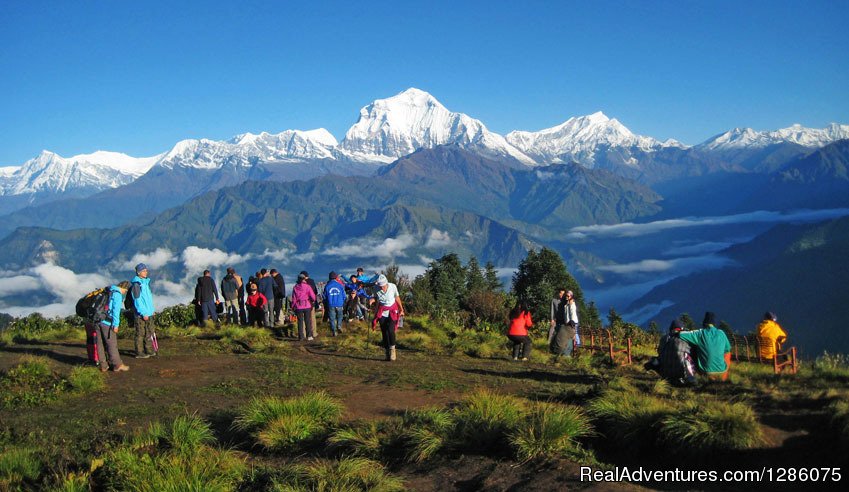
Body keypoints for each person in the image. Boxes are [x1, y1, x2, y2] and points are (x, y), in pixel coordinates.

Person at [678, 312, 732, 381]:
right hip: (722, 371)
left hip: (706, 372)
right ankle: (724, 376)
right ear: (714, 324)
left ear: (704, 323)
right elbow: (727, 350)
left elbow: (681, 335)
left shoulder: (700, 333)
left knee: (694, 348)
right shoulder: (721, 333)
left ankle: (695, 375)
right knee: (727, 352)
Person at [95, 281, 132, 372]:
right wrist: (116, 325)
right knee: (111, 344)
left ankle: (103, 365)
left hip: (97, 320)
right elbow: (116, 311)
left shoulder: (107, 290)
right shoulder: (117, 295)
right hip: (107, 322)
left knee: (100, 344)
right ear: (125, 289)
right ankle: (117, 365)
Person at [371, 274, 405, 361]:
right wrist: (372, 300)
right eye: (380, 286)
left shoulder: (393, 286)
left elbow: (397, 297)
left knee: (390, 330)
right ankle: (387, 351)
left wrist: (401, 309)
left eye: (383, 285)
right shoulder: (376, 288)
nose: (382, 287)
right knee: (384, 332)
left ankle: (392, 350)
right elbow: (375, 297)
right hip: (382, 311)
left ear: (386, 283)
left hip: (393, 310)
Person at [653, 319, 696, 385]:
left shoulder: (663, 338)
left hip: (665, 373)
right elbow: (692, 352)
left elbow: (659, 352)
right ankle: (690, 378)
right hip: (681, 373)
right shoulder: (685, 339)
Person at [131, 263, 157, 359]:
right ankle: (139, 352)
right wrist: (143, 312)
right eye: (144, 271)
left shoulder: (145, 283)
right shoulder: (137, 285)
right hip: (140, 314)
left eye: (146, 270)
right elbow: (137, 301)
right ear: (139, 272)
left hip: (148, 312)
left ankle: (148, 349)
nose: (146, 272)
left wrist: (151, 310)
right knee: (140, 333)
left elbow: (148, 299)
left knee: (149, 332)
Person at [549, 288, 577, 357]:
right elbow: (553, 310)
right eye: (566, 296)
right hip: (565, 322)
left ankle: (567, 354)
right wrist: (552, 319)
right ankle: (560, 352)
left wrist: (572, 323)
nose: (566, 296)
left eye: (568, 296)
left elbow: (573, 313)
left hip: (570, 323)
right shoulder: (565, 303)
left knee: (569, 338)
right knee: (561, 337)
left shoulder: (571, 303)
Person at [292, 273, 317, 340]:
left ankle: (301, 336)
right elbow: (313, 296)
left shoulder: (295, 287)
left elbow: (294, 298)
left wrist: (293, 306)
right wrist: (313, 300)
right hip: (307, 305)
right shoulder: (307, 286)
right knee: (308, 321)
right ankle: (309, 336)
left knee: (300, 321)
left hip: (298, 306)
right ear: (304, 279)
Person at [323, 272, 346, 336]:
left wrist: (326, 303)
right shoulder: (340, 285)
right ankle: (339, 326)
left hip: (331, 304)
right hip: (339, 304)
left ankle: (334, 331)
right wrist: (342, 302)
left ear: (329, 278)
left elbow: (324, 296)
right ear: (336, 277)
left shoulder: (327, 286)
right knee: (340, 316)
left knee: (332, 318)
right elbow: (344, 296)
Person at [301, 271, 320, 339]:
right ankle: (314, 333)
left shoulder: (299, 283)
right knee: (312, 318)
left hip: (301, 304)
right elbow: (315, 292)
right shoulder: (312, 282)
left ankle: (303, 333)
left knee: (303, 319)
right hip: (311, 303)